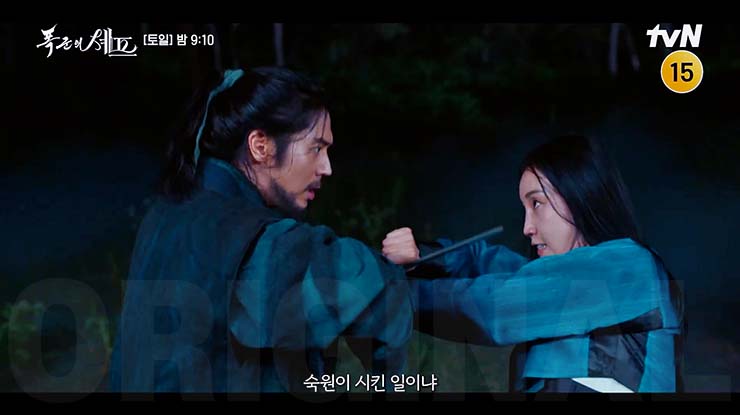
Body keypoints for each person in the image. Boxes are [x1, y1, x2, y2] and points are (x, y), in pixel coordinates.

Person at [109, 67, 413, 392]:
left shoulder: (166, 213)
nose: (327, 167)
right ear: (260, 146)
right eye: (316, 148)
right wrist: (391, 266)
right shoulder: (253, 238)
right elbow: (375, 297)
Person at [382, 135, 685, 393]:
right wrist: (423, 255)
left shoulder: (629, 269)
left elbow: (495, 305)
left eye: (537, 203)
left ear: (580, 195)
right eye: (525, 208)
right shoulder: (567, 282)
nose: (527, 227)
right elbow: (489, 264)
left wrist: (381, 293)